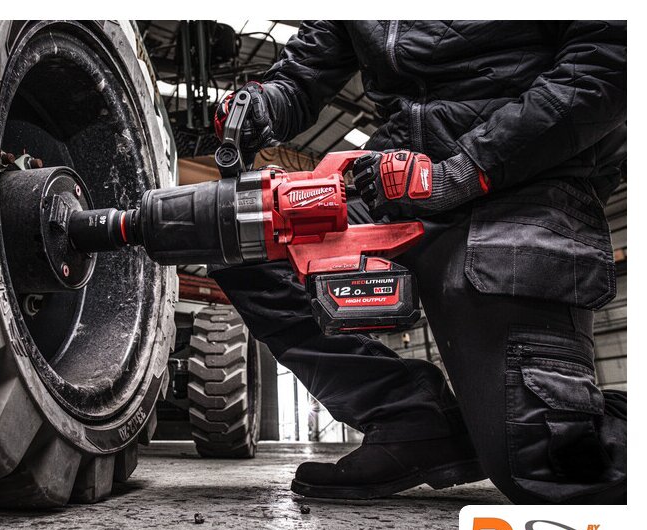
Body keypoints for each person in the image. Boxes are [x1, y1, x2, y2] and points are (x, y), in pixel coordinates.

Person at [209, 21, 626, 504]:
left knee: (551, 468)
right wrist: (264, 104)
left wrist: (463, 171)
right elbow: (302, 76)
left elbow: (604, 65)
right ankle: (412, 422)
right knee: (238, 237)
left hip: (523, 179)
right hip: (396, 180)